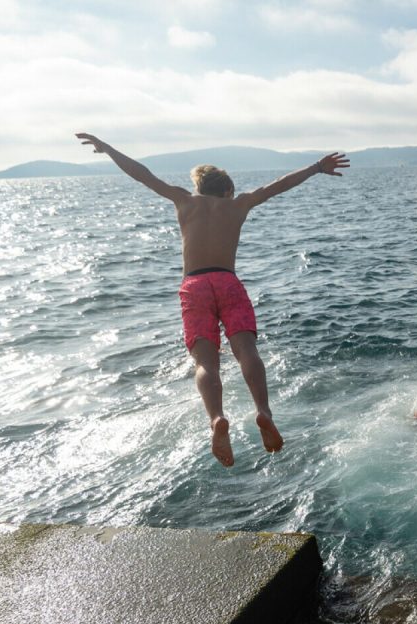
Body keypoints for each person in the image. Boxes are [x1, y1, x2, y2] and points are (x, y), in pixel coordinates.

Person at [75, 133, 348, 467]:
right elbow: (278, 185)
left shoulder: (183, 201)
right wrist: (317, 167)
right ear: (227, 190)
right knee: (247, 351)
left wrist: (108, 149)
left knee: (205, 363)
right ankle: (262, 411)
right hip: (227, 281)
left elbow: (142, 174)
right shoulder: (238, 204)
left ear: (199, 189)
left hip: (195, 286)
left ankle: (216, 418)